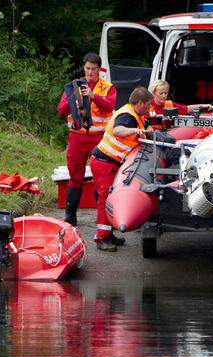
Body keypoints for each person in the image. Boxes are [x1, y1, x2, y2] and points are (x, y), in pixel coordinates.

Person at [90, 87, 154, 252]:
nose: (148, 108)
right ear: (140, 103)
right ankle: (101, 238)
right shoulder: (127, 117)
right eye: (147, 105)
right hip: (104, 161)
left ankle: (108, 234)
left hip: (109, 162)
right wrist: (134, 131)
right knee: (105, 199)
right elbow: (119, 130)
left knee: (109, 196)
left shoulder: (133, 114)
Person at [57, 52, 116, 226]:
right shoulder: (73, 86)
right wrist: (73, 99)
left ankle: (104, 221)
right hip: (77, 137)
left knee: (102, 179)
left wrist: (93, 96)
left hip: (100, 138)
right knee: (75, 176)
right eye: (88, 69)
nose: (90, 73)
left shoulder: (108, 87)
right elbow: (61, 110)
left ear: (100, 70)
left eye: (94, 69)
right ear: (84, 68)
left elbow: (110, 106)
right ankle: (70, 217)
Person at [148, 80, 213, 116]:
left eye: (166, 93)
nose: (164, 96)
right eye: (161, 93)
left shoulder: (169, 104)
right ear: (153, 93)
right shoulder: (147, 106)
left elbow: (187, 108)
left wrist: (204, 106)